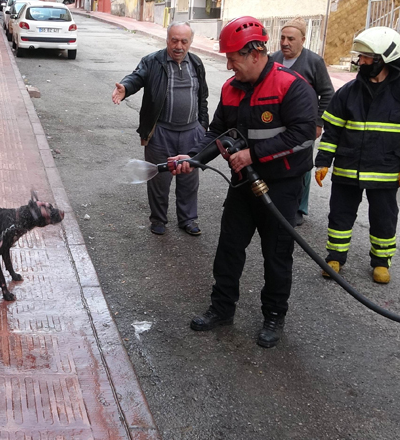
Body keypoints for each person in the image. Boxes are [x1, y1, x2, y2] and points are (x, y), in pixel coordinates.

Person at [168, 16, 317, 348]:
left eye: (233, 58)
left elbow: (304, 134)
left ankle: (274, 316)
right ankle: (222, 309)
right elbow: (217, 132)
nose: (229, 65)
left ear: (254, 52)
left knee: (277, 254)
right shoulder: (232, 89)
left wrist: (254, 154)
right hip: (242, 185)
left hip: (280, 186)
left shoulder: (290, 86)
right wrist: (191, 159)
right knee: (229, 248)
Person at [314, 27, 400, 284]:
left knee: (383, 217)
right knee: (340, 215)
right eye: (360, 57)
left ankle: (381, 262)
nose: (360, 62)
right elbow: (331, 132)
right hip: (347, 167)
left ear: (384, 58)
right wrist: (322, 162)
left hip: (385, 169)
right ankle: (335, 258)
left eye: (366, 58)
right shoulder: (348, 92)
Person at [112, 22, 209, 236]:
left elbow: (202, 98)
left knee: (189, 179)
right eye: (174, 40)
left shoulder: (197, 63)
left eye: (184, 41)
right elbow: (136, 77)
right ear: (167, 40)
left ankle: (188, 219)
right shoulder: (152, 61)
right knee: (159, 179)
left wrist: (203, 128)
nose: (178, 46)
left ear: (190, 42)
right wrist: (125, 88)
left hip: (191, 132)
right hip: (161, 132)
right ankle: (158, 220)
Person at [269, 17, 335, 227]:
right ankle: (275, 201)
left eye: (291, 38)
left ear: (303, 40)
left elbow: (327, 94)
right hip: (277, 124)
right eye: (282, 38)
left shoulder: (314, 62)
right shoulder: (273, 59)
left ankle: (299, 207)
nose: (285, 43)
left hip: (303, 126)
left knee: (302, 166)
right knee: (277, 161)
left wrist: (318, 123)